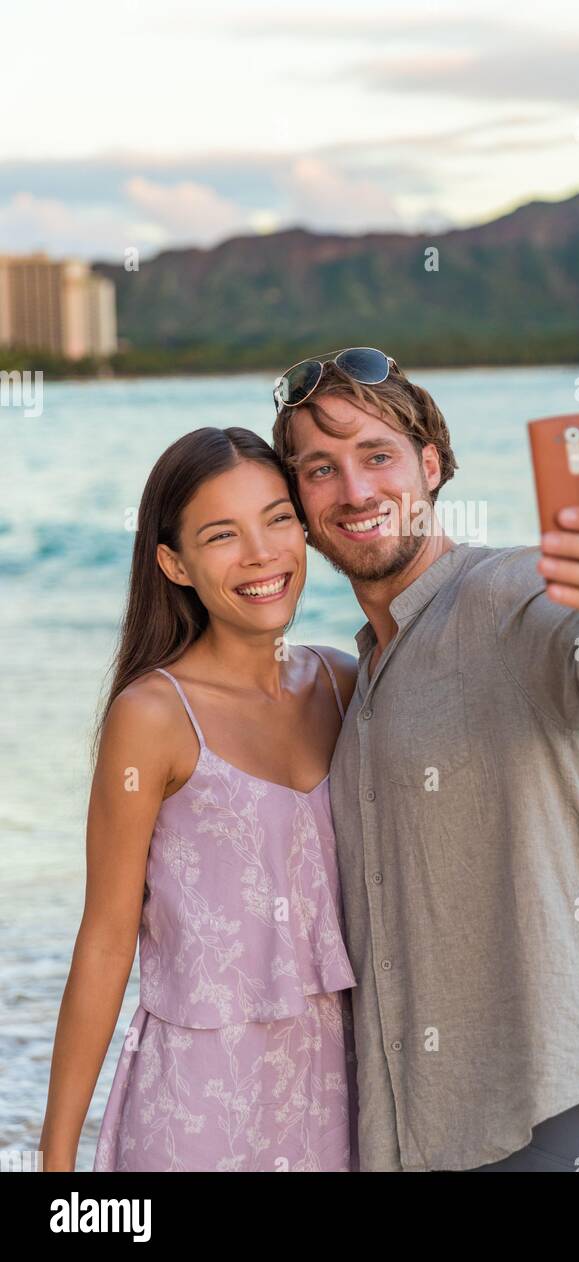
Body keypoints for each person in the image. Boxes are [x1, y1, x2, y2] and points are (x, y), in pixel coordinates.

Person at [270, 348, 579, 1173]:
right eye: (320, 470)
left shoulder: (509, 594)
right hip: (407, 1132)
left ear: (430, 465)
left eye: (378, 456)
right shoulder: (360, 682)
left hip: (536, 1113)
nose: (355, 492)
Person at [38, 426, 359, 1172]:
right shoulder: (152, 717)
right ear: (174, 563)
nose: (260, 554)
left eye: (278, 518)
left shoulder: (349, 687)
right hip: (195, 1113)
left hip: (336, 1103)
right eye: (222, 535)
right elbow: (107, 940)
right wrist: (53, 1166)